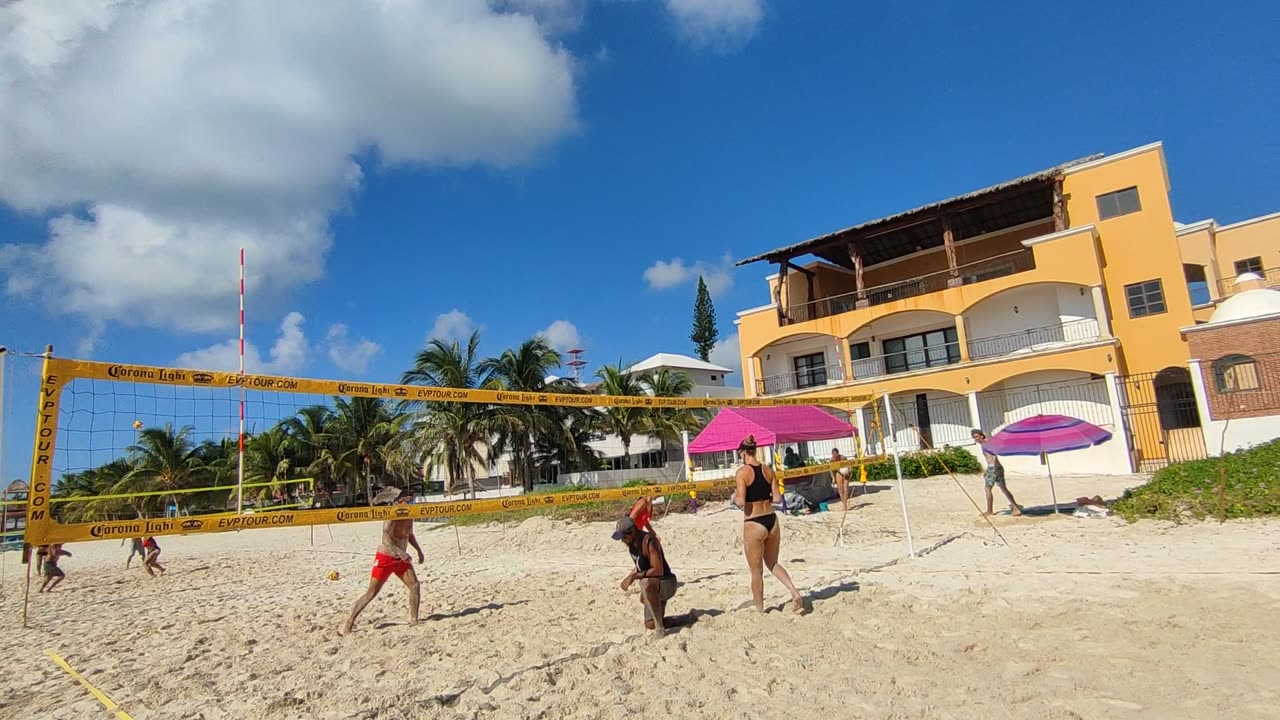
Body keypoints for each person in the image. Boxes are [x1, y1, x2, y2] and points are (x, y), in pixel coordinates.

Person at [734, 435, 805, 613]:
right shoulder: (768, 470)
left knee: (756, 572)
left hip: (754, 522)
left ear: (743, 453)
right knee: (773, 563)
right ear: (755, 450)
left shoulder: (742, 473)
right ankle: (794, 591)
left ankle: (759, 610)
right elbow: (777, 498)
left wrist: (735, 497)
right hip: (771, 519)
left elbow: (741, 502)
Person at [340, 488, 424, 635]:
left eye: (413, 500)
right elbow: (386, 541)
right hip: (386, 557)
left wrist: (418, 550)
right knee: (371, 593)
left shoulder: (410, 514)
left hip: (401, 558)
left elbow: (409, 535)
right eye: (409, 500)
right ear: (400, 501)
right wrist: (400, 552)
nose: (412, 503)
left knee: (415, 586)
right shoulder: (392, 515)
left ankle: (414, 620)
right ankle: (349, 622)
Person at [612, 516, 677, 633]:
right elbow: (640, 566)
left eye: (624, 536)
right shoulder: (632, 544)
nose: (622, 540)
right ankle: (685, 619)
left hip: (666, 582)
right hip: (652, 585)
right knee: (649, 624)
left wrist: (634, 577)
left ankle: (660, 628)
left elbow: (658, 570)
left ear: (632, 532)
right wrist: (629, 577)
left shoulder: (649, 542)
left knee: (645, 582)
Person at [972, 429, 1022, 517]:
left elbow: (993, 456)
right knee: (1003, 489)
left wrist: (990, 470)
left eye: (977, 436)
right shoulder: (987, 444)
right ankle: (1015, 508)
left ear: (981, 436)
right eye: (974, 437)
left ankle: (989, 511)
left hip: (993, 468)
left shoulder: (986, 444)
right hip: (997, 468)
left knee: (988, 489)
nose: (976, 439)